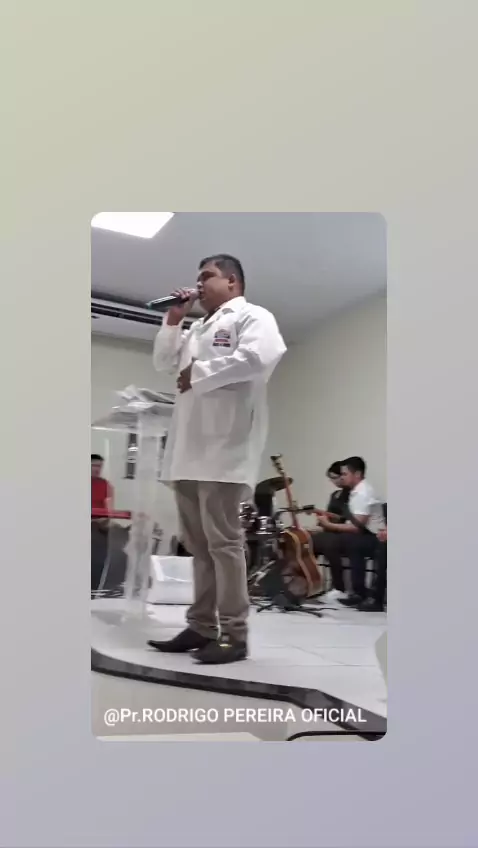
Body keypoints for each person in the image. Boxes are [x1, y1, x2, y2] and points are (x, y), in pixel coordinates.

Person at [147, 254, 286, 664]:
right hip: (188, 451)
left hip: (225, 450)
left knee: (224, 545)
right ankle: (201, 626)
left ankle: (235, 634)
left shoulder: (252, 316)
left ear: (232, 282)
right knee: (199, 547)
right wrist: (174, 320)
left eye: (206, 276)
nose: (199, 284)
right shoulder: (196, 328)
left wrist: (199, 373)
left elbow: (259, 358)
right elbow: (163, 363)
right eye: (198, 277)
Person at [311, 456, 384, 605]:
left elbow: (357, 527)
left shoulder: (363, 493)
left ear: (357, 474)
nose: (342, 477)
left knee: (339, 541)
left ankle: (350, 590)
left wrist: (328, 525)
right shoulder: (355, 491)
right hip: (364, 534)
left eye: (345, 474)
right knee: (326, 539)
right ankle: (346, 590)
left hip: (375, 537)